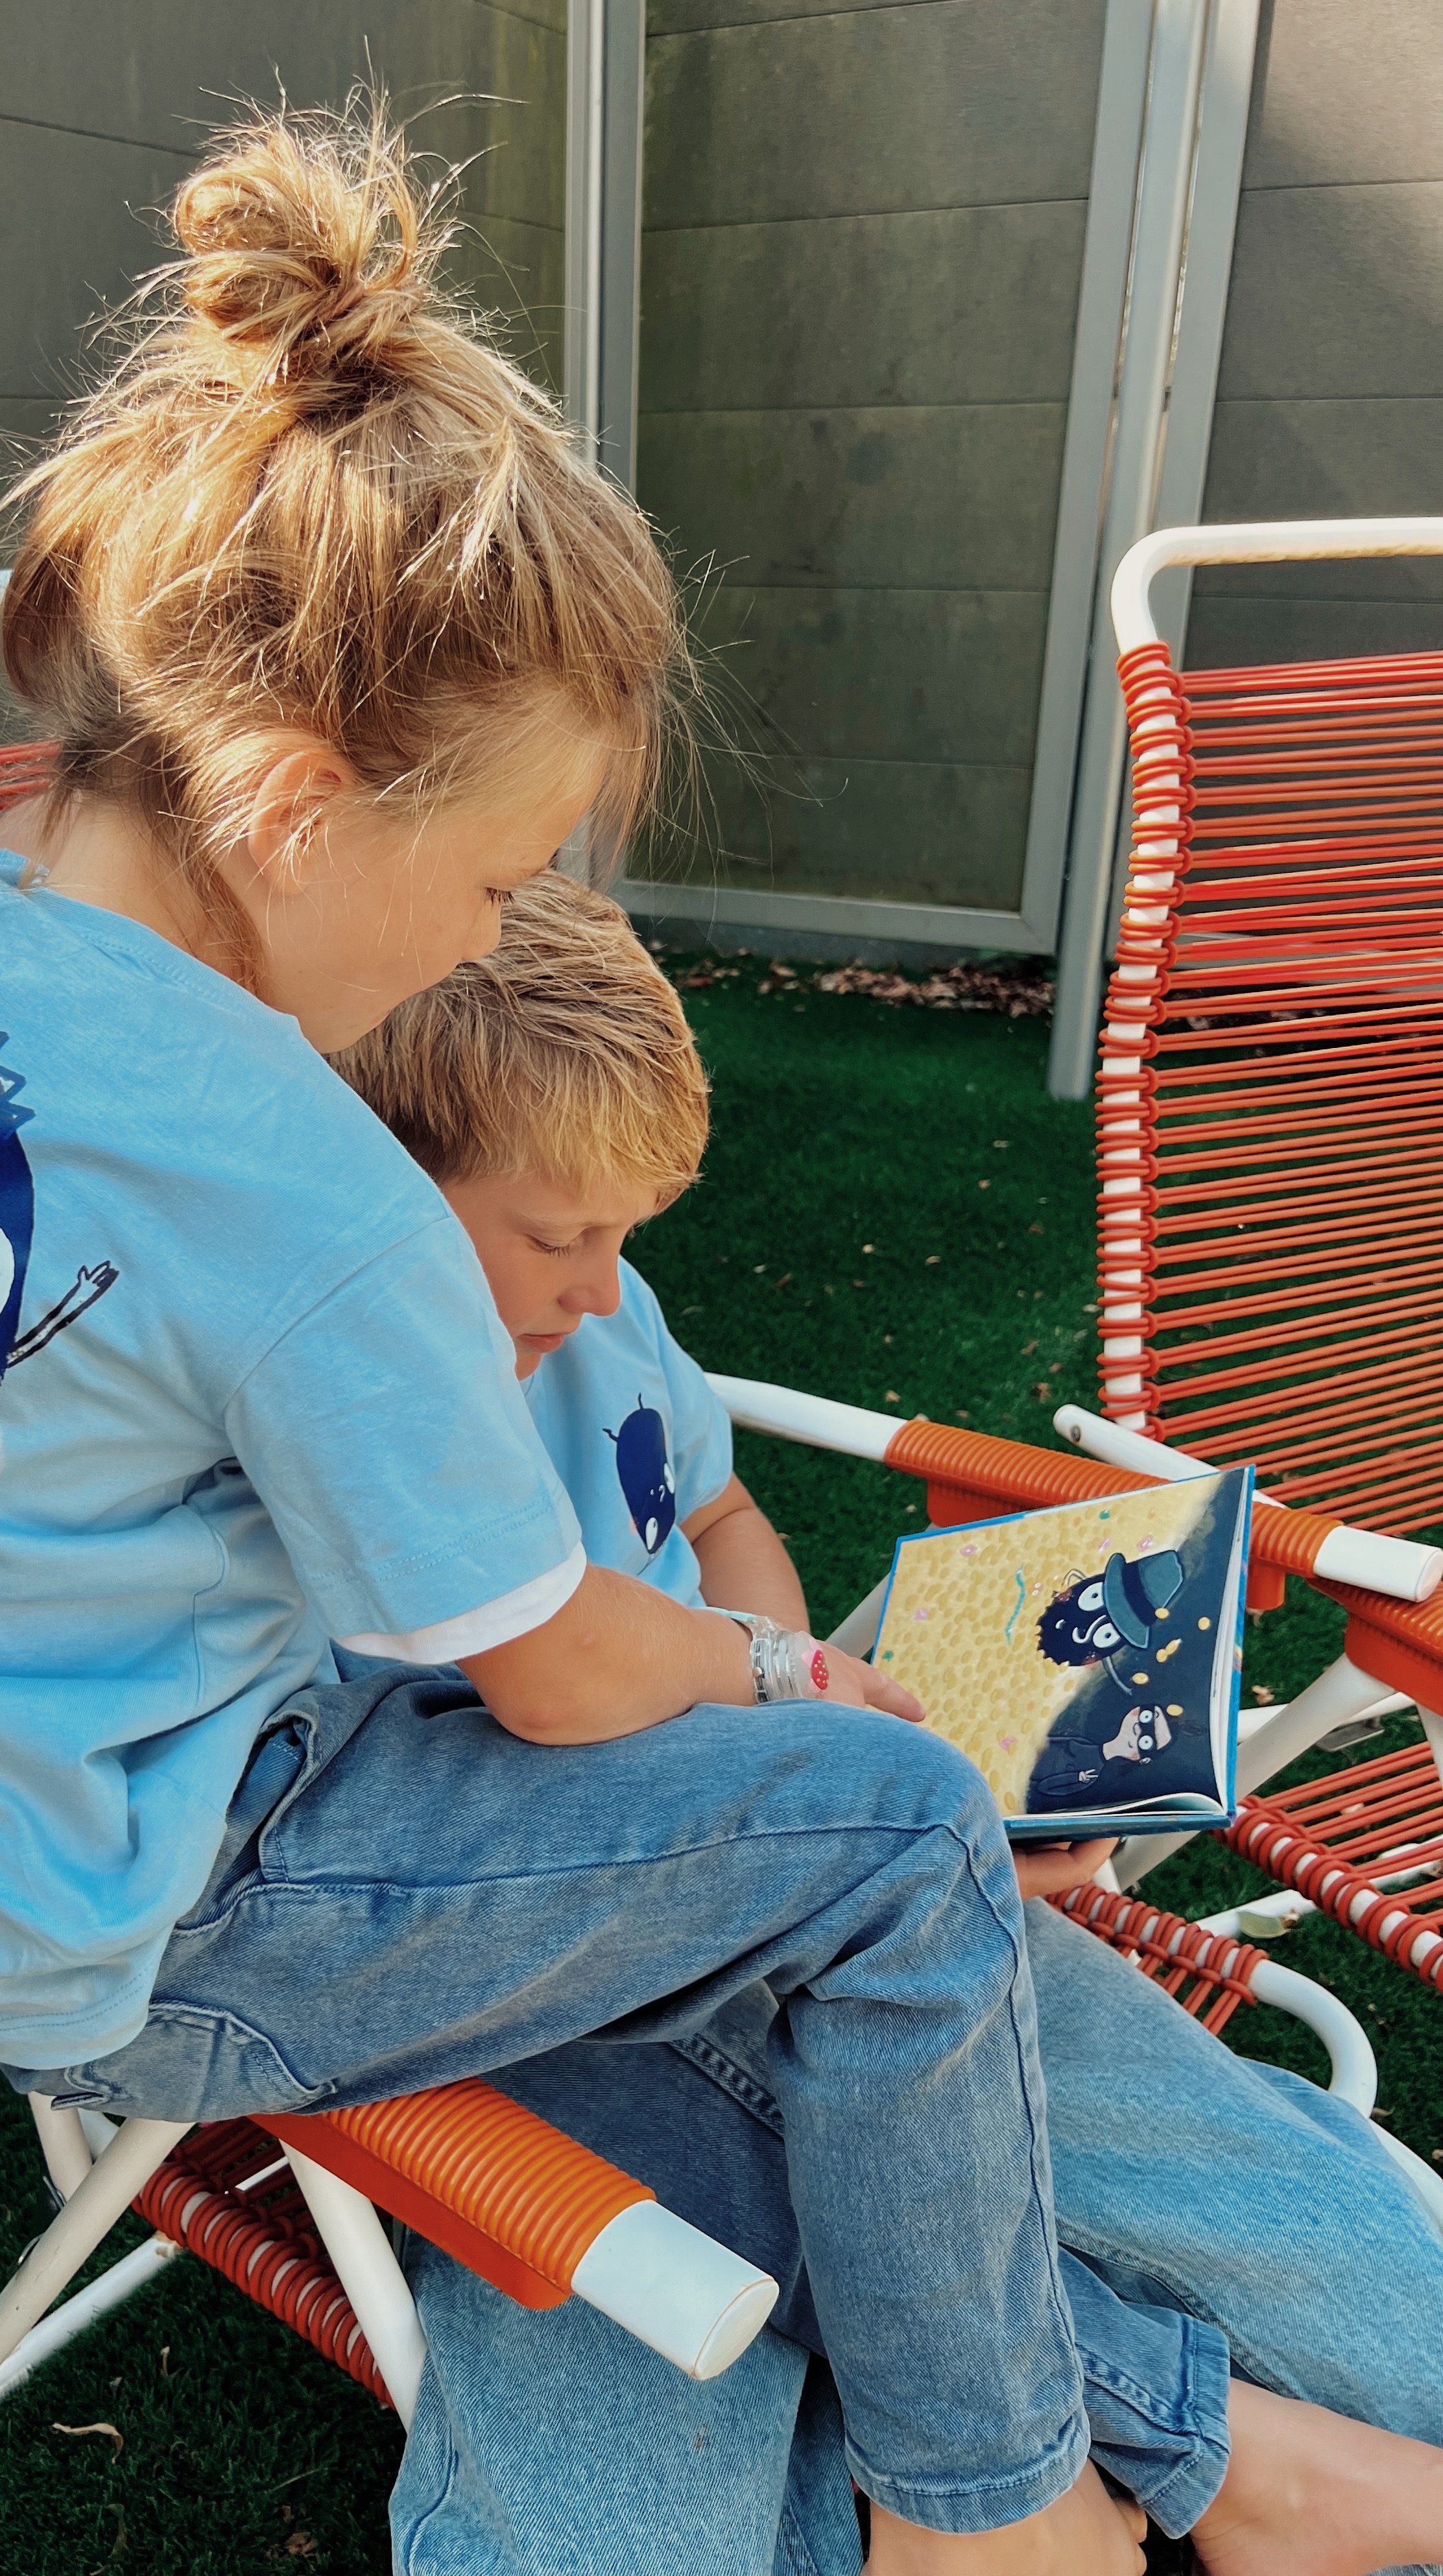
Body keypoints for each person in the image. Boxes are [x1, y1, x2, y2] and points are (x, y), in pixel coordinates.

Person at [0, 104, 1400, 2575]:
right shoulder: (318, 1195)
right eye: (498, 876)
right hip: (197, 1903)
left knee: (777, 1960)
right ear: (282, 795)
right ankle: (995, 2514)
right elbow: (575, 1687)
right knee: (905, 1827)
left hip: (11, 1831)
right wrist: (788, 1685)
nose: (493, 937)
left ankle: (1187, 2453)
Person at [331, 874, 1443, 2576]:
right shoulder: (310, 1421)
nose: (600, 1287)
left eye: (629, 1235)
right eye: (559, 1237)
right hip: (544, 1989)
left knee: (1362, 2294)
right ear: (373, 1193)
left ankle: (1118, 2460)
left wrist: (792, 1681)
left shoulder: (602, 1314)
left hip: (843, 1885)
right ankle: (1169, 2455)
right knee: (634, 2520)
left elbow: (717, 1525)